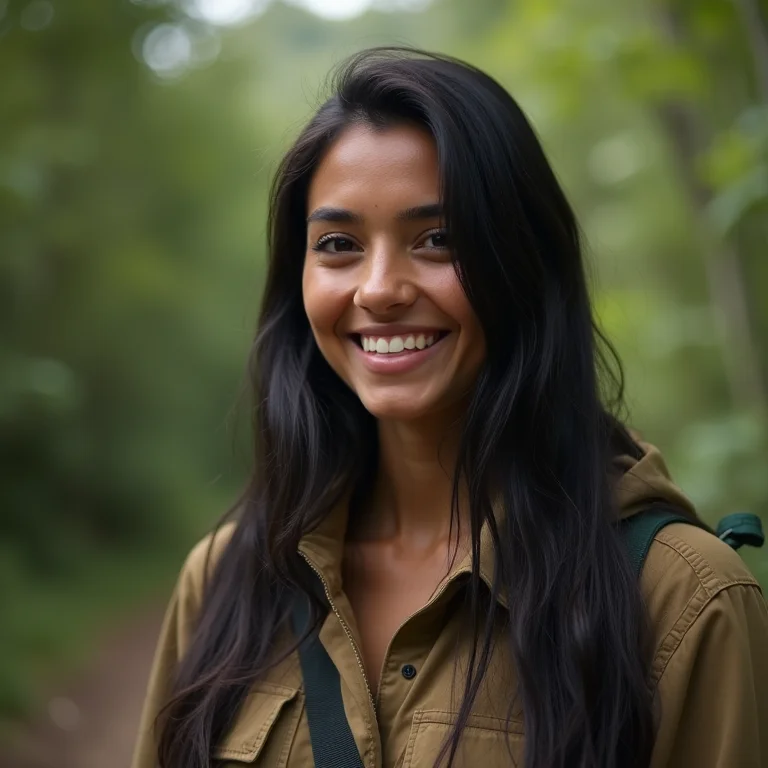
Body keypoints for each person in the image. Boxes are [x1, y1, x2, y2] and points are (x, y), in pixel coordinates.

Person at [131, 48, 768, 768]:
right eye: (338, 245)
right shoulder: (225, 579)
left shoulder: (681, 602)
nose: (379, 288)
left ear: (524, 263)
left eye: (438, 239)